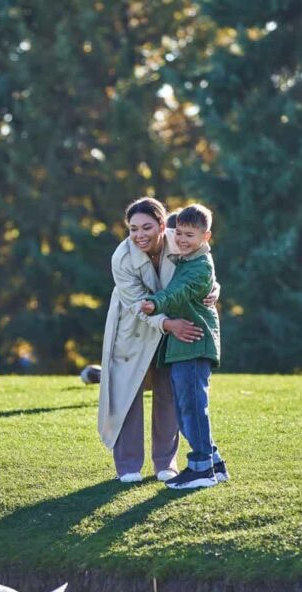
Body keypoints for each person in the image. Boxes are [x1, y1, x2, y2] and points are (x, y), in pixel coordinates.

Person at [98, 197, 218, 483]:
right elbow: (137, 303)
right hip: (133, 326)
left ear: (163, 226)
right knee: (127, 394)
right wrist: (167, 323)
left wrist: (215, 287)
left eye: (147, 227)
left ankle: (166, 462)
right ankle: (128, 466)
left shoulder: (180, 239)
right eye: (133, 229)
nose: (139, 235)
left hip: (173, 325)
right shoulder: (122, 258)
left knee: (168, 391)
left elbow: (203, 263)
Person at [140, 204, 227, 489]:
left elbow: (181, 291)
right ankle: (214, 463)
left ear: (206, 236)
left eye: (190, 235)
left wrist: (156, 303)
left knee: (192, 407)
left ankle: (201, 469)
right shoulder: (189, 260)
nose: (183, 240)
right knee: (188, 406)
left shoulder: (198, 266)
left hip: (193, 343)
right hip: (185, 345)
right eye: (180, 233)